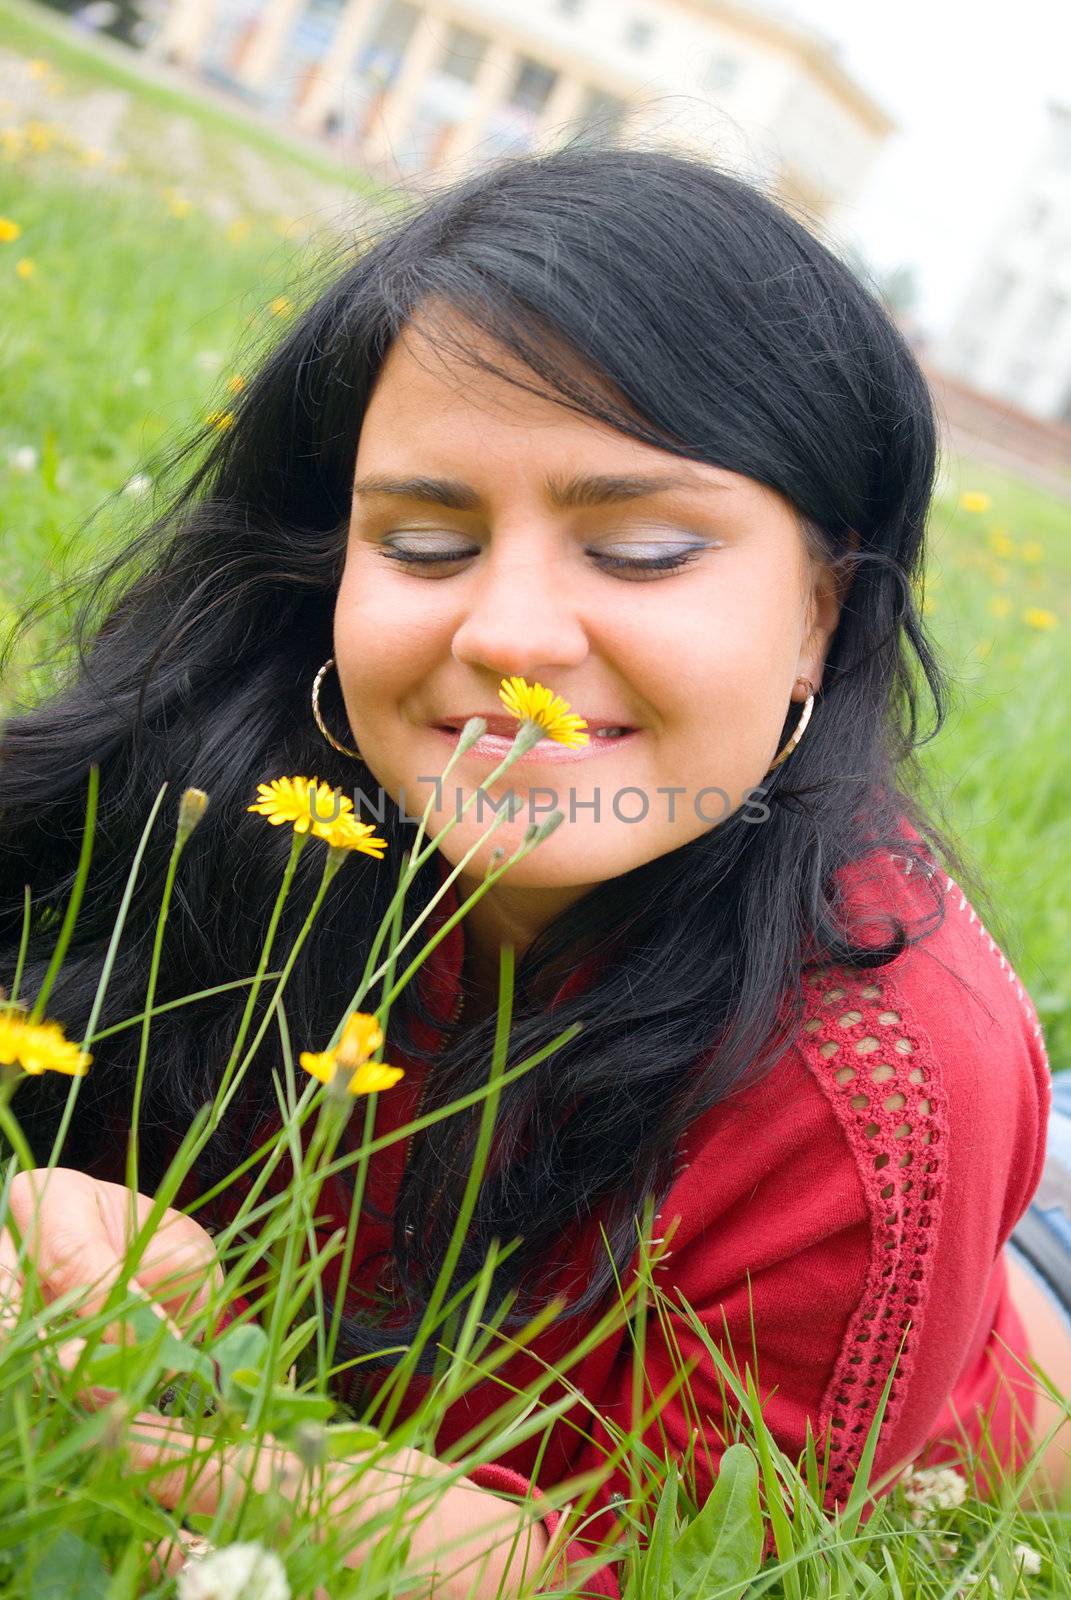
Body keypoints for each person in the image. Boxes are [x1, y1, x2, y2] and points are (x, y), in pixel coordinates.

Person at [1, 145, 1068, 1598]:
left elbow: (678, 1564)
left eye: (640, 550)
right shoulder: (215, 810)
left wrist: (226, 1460)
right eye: (426, 541)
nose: (508, 633)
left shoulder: (880, 1097)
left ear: (823, 609)